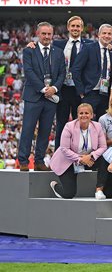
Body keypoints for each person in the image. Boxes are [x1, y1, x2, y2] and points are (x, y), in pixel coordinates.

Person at [19, 22, 66, 171]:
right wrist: (43, 88)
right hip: (34, 95)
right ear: (38, 34)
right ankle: (23, 161)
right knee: (28, 129)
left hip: (50, 97)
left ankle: (39, 161)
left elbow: (61, 74)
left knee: (45, 131)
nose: (46, 37)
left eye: (49, 34)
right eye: (43, 34)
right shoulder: (29, 51)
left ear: (53, 35)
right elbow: (29, 72)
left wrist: (54, 88)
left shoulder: (58, 52)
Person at [49, 103, 107, 199]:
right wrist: (80, 159)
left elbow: (103, 147)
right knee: (69, 194)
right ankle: (55, 186)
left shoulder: (97, 127)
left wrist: (91, 156)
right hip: (69, 161)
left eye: (87, 113)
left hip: (88, 159)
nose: (84, 115)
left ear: (92, 115)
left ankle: (99, 190)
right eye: (81, 113)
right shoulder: (69, 126)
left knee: (104, 159)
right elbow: (64, 148)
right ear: (77, 115)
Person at [54, 16, 95, 146]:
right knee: (61, 124)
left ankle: (77, 155)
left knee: (80, 125)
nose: (75, 28)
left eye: (78, 26)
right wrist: (32, 44)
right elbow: (42, 45)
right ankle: (58, 157)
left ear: (82, 28)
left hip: (80, 91)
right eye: (73, 26)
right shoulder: (58, 44)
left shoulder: (90, 45)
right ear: (68, 27)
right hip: (63, 89)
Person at [71, 23, 112, 120]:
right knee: (86, 122)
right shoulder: (88, 48)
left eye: (109, 34)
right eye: (104, 33)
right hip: (89, 92)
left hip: (105, 94)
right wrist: (81, 91)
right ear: (98, 35)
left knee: (102, 124)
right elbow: (75, 69)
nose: (107, 36)